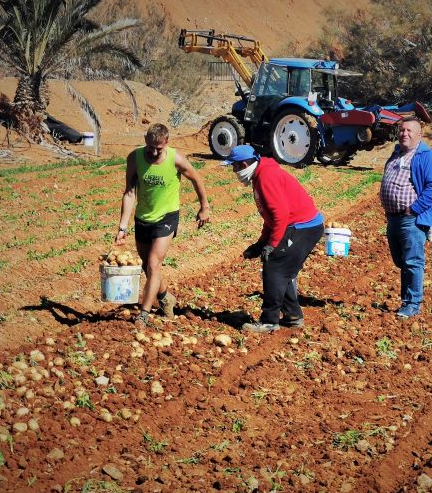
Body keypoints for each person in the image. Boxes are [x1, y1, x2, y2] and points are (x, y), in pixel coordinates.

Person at [115, 123, 210, 325]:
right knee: (148, 268)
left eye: (159, 148)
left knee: (153, 264)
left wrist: (204, 206)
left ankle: (144, 313)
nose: (154, 152)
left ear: (167, 142)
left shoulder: (176, 159)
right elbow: (130, 192)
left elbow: (196, 179)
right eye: (151, 147)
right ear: (145, 141)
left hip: (167, 217)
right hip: (143, 218)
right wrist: (122, 227)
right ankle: (166, 297)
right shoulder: (135, 158)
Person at [225, 144, 324, 334]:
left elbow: (280, 215)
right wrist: (261, 243)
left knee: (275, 266)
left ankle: (269, 321)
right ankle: (293, 316)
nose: (234, 171)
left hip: (304, 226)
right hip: (299, 225)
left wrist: (271, 245)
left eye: (235, 166)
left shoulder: (266, 177)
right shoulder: (260, 175)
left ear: (244, 164)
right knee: (281, 268)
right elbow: (269, 217)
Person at [379, 118, 432, 319]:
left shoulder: (427, 156)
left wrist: (413, 209)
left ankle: (412, 304)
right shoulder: (397, 153)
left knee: (413, 261)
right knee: (400, 260)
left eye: (409, 131)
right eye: (402, 130)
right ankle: (408, 299)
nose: (404, 133)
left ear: (419, 135)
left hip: (411, 219)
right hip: (393, 217)